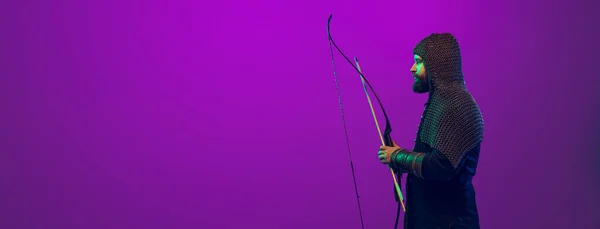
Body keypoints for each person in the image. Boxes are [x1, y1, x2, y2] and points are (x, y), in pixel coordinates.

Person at [378, 33, 485, 229]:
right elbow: (433, 156)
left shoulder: (456, 105)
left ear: (437, 66)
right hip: (431, 218)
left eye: (418, 62)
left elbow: (441, 166)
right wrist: (401, 157)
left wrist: (399, 157)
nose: (412, 68)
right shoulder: (441, 103)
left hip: (449, 222)